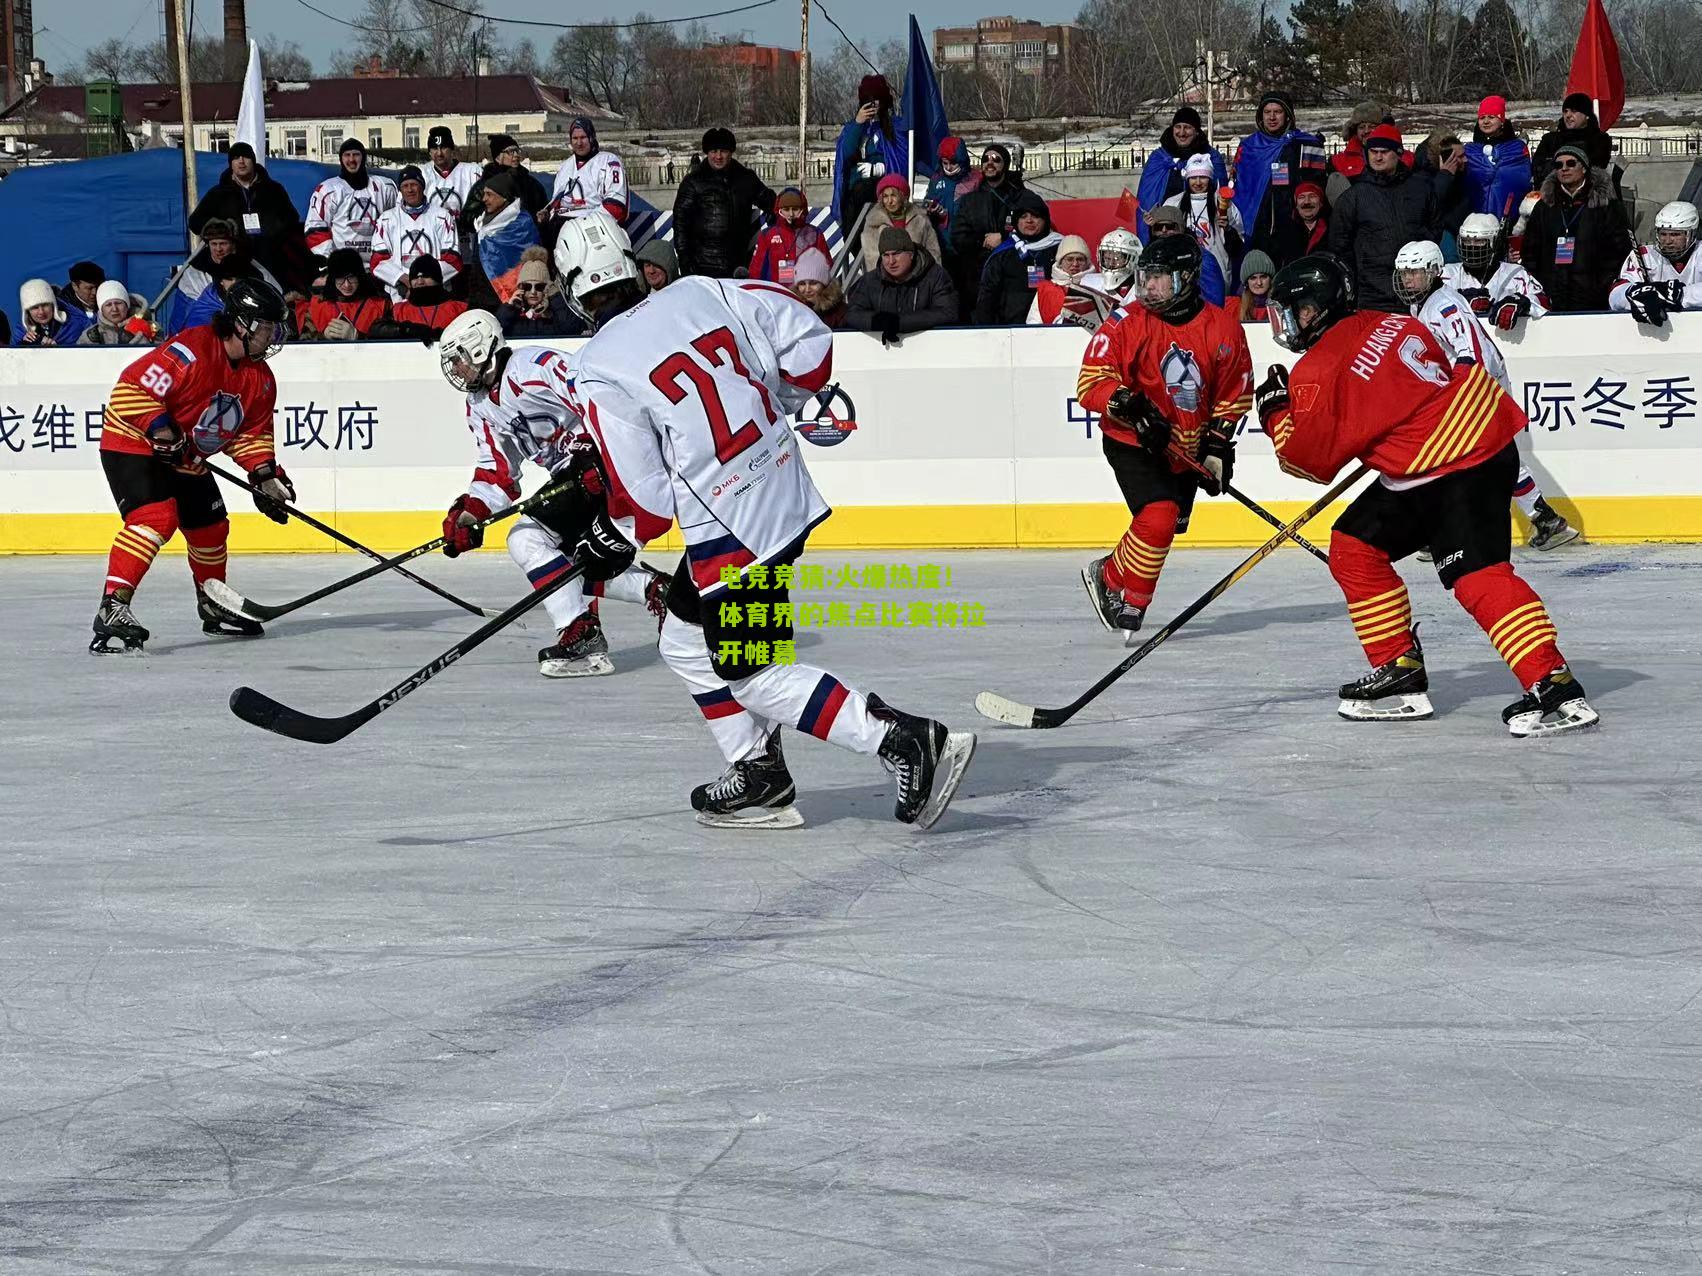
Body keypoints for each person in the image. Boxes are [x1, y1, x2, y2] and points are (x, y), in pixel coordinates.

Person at [552, 211, 977, 830]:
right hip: (780, 486)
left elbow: (642, 500)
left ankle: (903, 739)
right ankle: (758, 773)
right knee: (680, 636)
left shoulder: (598, 363)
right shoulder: (700, 289)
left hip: (730, 526)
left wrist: (606, 539)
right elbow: (810, 341)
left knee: (751, 674)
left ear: (574, 288)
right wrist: (780, 403)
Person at [1255, 253, 1597, 735]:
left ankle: (1553, 683)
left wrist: (1274, 412)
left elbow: (1306, 464)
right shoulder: (1392, 321)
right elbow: (1418, 378)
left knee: (1478, 577)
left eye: (1290, 312)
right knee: (1355, 548)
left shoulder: (1314, 372)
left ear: (1315, 310)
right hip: (1459, 443)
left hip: (1456, 464)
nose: (1285, 324)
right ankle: (1399, 672)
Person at [434, 307, 667, 677]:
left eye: (459, 358)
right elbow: (497, 471)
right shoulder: (479, 407)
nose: (456, 369)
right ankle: (656, 591)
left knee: (526, 540)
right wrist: (470, 514)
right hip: (572, 476)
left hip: (611, 461)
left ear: (480, 348)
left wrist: (599, 451)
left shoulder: (532, 368)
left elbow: (597, 394)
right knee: (561, 564)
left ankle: (580, 632)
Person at [90, 278, 291, 653]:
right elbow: (130, 391)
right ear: (242, 324)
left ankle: (213, 601)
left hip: (185, 454)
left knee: (211, 525)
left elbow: (251, 434)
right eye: (267, 326)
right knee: (155, 518)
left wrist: (264, 476)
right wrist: (162, 429)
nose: (274, 335)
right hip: (132, 442)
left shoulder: (260, 379)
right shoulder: (191, 350)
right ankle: (112, 606)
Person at [1074, 232, 1252, 640]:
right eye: (1145, 277)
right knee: (1159, 517)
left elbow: (1234, 393)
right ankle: (1131, 598)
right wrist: (1128, 404)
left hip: (1184, 447)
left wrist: (1217, 446)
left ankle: (1111, 571)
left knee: (1171, 522)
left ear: (1187, 278)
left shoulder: (1222, 328)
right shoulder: (1127, 321)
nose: (1148, 287)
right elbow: (1090, 382)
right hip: (1131, 441)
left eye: (1160, 278)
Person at [1396, 238, 1577, 552]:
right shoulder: (1422, 303)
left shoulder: (1444, 305)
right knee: (1492, 458)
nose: (1408, 278)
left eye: (1415, 272)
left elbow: (1475, 352)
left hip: (1477, 387)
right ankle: (1546, 519)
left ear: (1434, 271)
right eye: (1404, 272)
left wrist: (1464, 393)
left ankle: (1439, 530)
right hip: (1464, 388)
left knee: (1456, 458)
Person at [1326, 125, 1439, 312]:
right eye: (1373, 151)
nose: (1378, 157)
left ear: (1398, 153)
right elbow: (1339, 244)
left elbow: (1435, 228)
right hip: (1372, 295)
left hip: (1417, 291)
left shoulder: (1421, 188)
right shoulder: (1355, 195)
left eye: (1384, 152)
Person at [189, 141, 311, 295]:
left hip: (271, 259)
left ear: (253, 160)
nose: (241, 161)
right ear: (230, 164)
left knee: (273, 299)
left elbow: (291, 218)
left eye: (246, 157)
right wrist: (218, 227)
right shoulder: (219, 193)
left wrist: (273, 230)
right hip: (235, 261)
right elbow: (195, 222)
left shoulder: (273, 189)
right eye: (236, 158)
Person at [1520, 145, 1628, 312]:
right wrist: (1540, 287)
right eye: (1558, 165)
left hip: (1594, 297)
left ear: (1584, 168)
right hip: (1552, 295)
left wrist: (1602, 286)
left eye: (1571, 163)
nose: (1564, 169)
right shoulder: (1545, 205)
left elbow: (1619, 251)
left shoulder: (1605, 204)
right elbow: (1530, 250)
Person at [1232, 92, 1328, 257]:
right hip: (1256, 228)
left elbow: (1317, 187)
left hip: (1294, 226)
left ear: (1288, 115)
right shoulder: (1248, 147)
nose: (1272, 117)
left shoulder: (1306, 143)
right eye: (1267, 112)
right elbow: (1240, 187)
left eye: (1278, 111)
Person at [673, 127, 776, 279]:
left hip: (738, 264)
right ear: (707, 153)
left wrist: (776, 214)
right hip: (702, 264)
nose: (718, 156)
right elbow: (680, 223)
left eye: (723, 151)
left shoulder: (745, 178)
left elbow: (770, 201)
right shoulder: (693, 182)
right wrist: (685, 261)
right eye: (714, 151)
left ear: (731, 152)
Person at [949, 144, 1027, 320]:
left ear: (1005, 165)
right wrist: (982, 241)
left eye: (996, 159)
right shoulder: (969, 200)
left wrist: (1005, 238)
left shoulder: (1020, 198)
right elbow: (958, 237)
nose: (990, 163)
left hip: (1012, 280)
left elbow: (1034, 230)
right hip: (977, 281)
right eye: (986, 159)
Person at [168, 218, 284, 335]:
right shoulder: (195, 273)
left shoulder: (251, 268)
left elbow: (274, 295)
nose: (218, 249)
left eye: (223, 243)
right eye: (214, 244)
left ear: (233, 244)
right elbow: (185, 315)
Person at [844, 226, 958, 344]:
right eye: (885, 255)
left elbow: (948, 312)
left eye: (896, 254)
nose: (891, 261)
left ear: (911, 254)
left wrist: (899, 323)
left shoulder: (935, 276)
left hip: (929, 348)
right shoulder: (870, 281)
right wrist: (876, 321)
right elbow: (852, 314)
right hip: (883, 354)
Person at [1137, 107, 1228, 244]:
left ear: (1196, 131)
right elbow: (1146, 198)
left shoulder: (1211, 158)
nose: (1182, 132)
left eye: (1187, 127)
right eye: (1178, 127)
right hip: (1165, 231)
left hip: (1204, 232)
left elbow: (1222, 197)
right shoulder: (1158, 158)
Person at [370, 165, 463, 301]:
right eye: (405, 185)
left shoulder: (443, 217)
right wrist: (406, 281)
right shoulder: (386, 219)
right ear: (400, 190)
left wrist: (424, 283)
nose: (410, 190)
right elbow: (377, 261)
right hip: (400, 295)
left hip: (436, 292)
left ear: (422, 187)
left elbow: (453, 260)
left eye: (414, 184)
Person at [304, 138, 399, 270]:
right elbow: (314, 230)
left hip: (379, 269)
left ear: (363, 158)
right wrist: (335, 261)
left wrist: (389, 263)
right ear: (341, 159)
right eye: (347, 155)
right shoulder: (328, 190)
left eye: (356, 154)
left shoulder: (385, 186)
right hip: (342, 269)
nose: (351, 160)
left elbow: (397, 224)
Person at [1444, 212, 1548, 329]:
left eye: (1479, 241)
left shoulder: (1516, 273)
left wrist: (1522, 302)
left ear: (1494, 243)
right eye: (1466, 241)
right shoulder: (1447, 274)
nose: (1471, 247)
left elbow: (1544, 301)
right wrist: (1461, 301)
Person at [974, 190, 1062, 324]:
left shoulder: (1060, 249)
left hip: (1051, 327)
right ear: (1016, 221)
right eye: (1023, 216)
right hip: (1010, 329)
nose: (1029, 220)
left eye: (1035, 216)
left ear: (1045, 220)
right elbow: (987, 298)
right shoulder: (1002, 253)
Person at [832, 74, 906, 234]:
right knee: (852, 204)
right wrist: (858, 124)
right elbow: (845, 154)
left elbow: (901, 160)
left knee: (861, 191)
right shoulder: (854, 128)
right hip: (854, 192)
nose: (873, 105)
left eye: (876, 99)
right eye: (868, 100)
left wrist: (878, 169)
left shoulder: (896, 127)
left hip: (881, 188)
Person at [1611, 200, 1702, 325]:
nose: (1668, 241)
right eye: (1663, 234)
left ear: (1692, 234)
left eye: (1675, 234)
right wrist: (1636, 295)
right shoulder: (1644, 255)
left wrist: (1677, 294)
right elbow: (1615, 294)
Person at [1163, 153, 1242, 287]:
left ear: (1210, 179)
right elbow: (1163, 240)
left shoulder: (1224, 203)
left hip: (1217, 273)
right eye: (1193, 177)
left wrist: (1228, 230)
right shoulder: (1173, 203)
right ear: (1187, 179)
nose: (1198, 182)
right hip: (1183, 272)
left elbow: (1239, 241)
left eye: (1203, 177)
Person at [548, 116, 628, 227]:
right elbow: (555, 204)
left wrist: (587, 223)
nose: (579, 143)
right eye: (575, 138)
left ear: (591, 138)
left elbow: (616, 207)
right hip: (564, 225)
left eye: (583, 137)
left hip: (598, 226)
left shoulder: (609, 161)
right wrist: (547, 214)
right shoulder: (565, 167)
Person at [296, 248, 389, 341]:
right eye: (340, 278)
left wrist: (359, 337)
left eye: (351, 277)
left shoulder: (381, 305)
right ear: (332, 279)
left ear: (360, 276)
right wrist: (323, 337)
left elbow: (390, 345)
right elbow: (304, 344)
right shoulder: (316, 305)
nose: (347, 285)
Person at [1463, 96, 1533, 219]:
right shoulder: (1470, 150)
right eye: (1482, 117)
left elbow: (1521, 179)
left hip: (1507, 212)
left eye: (1491, 117)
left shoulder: (1517, 148)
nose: (1486, 121)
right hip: (1474, 216)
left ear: (1502, 120)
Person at [859, 174, 942, 272]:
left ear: (903, 196)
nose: (889, 201)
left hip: (919, 279)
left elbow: (933, 253)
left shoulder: (920, 219)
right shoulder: (873, 224)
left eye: (893, 195)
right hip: (886, 281)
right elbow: (872, 260)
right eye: (885, 196)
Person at [1145, 205, 1225, 305]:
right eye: (1158, 227)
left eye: (1170, 226)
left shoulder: (1201, 257)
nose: (1164, 230)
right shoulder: (1151, 257)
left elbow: (1214, 301)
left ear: (1181, 229)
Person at [1532, 93, 1614, 190]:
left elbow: (1596, 167)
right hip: (1552, 194)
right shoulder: (1550, 140)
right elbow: (1537, 167)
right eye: (1565, 111)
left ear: (1586, 115)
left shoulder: (1600, 140)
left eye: (1574, 111)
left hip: (1588, 195)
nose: (1568, 115)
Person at [463, 135, 550, 226]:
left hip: (527, 237)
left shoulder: (531, 183)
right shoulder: (484, 186)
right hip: (494, 238)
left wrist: (543, 217)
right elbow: (467, 218)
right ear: (498, 157)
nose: (516, 155)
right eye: (510, 152)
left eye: (517, 151)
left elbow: (545, 207)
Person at [496, 247, 583, 338]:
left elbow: (572, 329)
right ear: (520, 289)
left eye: (539, 287)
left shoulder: (556, 313)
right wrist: (510, 308)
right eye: (527, 287)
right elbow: (495, 333)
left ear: (547, 288)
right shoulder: (512, 316)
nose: (533, 292)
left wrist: (555, 295)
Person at [375, 256, 467, 339]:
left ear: (438, 279)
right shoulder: (398, 310)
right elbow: (376, 330)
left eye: (426, 276)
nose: (420, 282)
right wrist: (406, 329)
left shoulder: (460, 309)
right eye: (415, 278)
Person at [749, 187, 824, 285]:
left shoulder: (814, 233)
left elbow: (826, 266)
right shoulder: (768, 234)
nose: (791, 214)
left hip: (806, 293)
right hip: (776, 293)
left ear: (802, 209)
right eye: (786, 209)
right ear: (779, 209)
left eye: (795, 209)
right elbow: (757, 269)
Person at [1028, 234, 1106, 326]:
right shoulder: (1045, 289)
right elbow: (1033, 324)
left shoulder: (1098, 285)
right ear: (1060, 262)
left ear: (1087, 263)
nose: (1075, 264)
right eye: (1069, 259)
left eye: (1080, 259)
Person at [924, 137, 980, 255]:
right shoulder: (936, 179)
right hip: (941, 241)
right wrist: (930, 209)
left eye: (953, 163)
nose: (949, 167)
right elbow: (928, 201)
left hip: (968, 242)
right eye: (945, 163)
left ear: (962, 160)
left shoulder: (976, 179)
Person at [422, 126, 484, 223]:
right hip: (433, 233)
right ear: (429, 152)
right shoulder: (421, 174)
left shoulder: (472, 172)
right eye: (434, 148)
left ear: (452, 149)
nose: (439, 153)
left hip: (465, 233)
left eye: (443, 148)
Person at [1328, 101, 1391, 186]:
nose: (1366, 131)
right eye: (1361, 127)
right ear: (1355, 131)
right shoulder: (1337, 162)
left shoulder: (1400, 157)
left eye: (1372, 126)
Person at [1269, 181, 1330, 268]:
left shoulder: (1332, 230)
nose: (1307, 202)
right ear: (1296, 205)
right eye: (1301, 197)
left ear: (1320, 203)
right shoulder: (1285, 232)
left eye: (1312, 196)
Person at [13, 278, 89, 346]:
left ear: (53, 304)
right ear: (27, 311)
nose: (41, 312)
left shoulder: (77, 324)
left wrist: (57, 350)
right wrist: (27, 345)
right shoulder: (21, 332)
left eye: (45, 305)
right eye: (35, 308)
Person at [78, 280, 151, 346]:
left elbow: (160, 356)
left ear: (127, 306)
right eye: (108, 305)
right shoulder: (89, 336)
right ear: (101, 310)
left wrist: (143, 342)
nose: (114, 309)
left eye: (118, 303)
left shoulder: (151, 328)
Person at [791, 248, 846, 328]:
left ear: (824, 284)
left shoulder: (839, 312)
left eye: (813, 283)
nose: (807, 289)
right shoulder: (791, 310)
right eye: (802, 284)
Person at [1094, 227, 1140, 301]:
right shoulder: (1091, 282)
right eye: (1107, 258)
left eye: (1117, 258)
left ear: (1134, 260)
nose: (1111, 263)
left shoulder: (1140, 290)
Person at [58, 262, 104, 328]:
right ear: (75, 286)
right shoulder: (60, 309)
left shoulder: (110, 302)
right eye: (89, 288)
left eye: (98, 286)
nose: (95, 292)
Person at [1233, 249, 1276, 321]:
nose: (1259, 283)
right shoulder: (1234, 307)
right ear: (1247, 282)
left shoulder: (1282, 303)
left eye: (1263, 277)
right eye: (1253, 278)